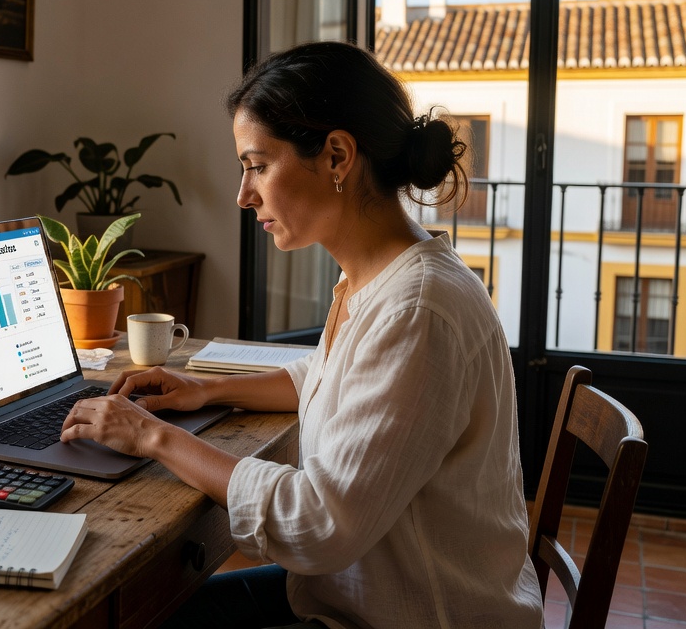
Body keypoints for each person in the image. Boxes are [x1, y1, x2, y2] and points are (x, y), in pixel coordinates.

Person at [60, 40, 543, 629]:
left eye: (258, 165)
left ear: (337, 155)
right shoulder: (385, 277)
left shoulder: (416, 309)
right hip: (353, 594)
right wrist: (204, 390)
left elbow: (317, 526)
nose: (244, 195)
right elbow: (332, 377)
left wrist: (153, 437)